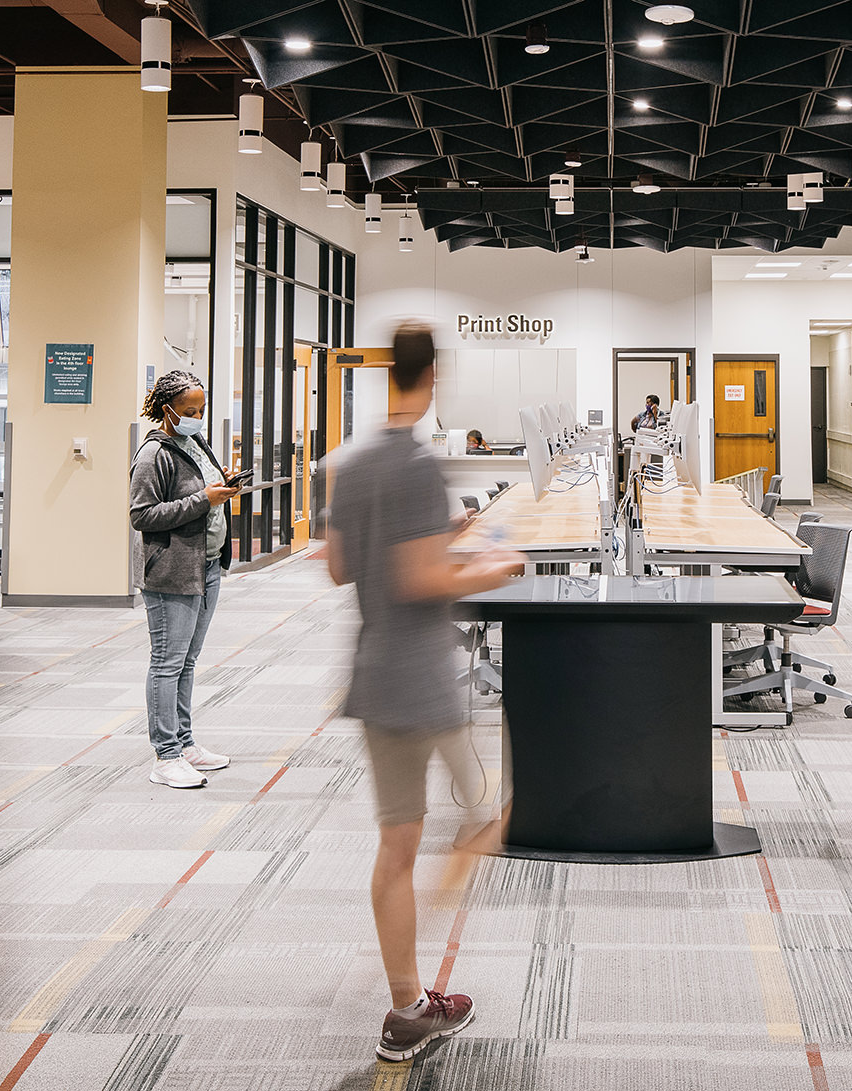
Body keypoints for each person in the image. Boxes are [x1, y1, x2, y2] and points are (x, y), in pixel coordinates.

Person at [325, 322, 523, 1062]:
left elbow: (341, 567)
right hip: (418, 679)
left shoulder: (356, 459)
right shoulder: (413, 465)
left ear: (388, 374)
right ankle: (421, 968)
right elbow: (421, 580)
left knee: (399, 841)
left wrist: (444, 533)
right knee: (486, 812)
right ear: (432, 376)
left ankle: (408, 1003)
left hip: (375, 670)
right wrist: (494, 566)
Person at [130, 370, 239, 790]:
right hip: (172, 572)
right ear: (166, 410)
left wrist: (223, 487)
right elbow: (142, 515)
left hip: (206, 565)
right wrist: (203, 500)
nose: (197, 416)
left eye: (201, 410)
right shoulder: (152, 454)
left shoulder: (194, 443)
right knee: (167, 662)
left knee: (187, 660)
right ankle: (166, 755)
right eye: (190, 411)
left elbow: (202, 494)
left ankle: (186, 742)